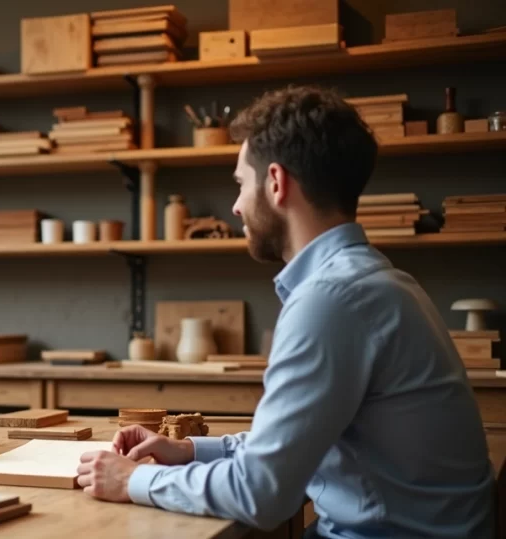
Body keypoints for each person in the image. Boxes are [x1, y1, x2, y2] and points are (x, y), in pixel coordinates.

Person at [76, 85, 495, 538]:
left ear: (276, 182)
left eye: (240, 183)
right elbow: (286, 446)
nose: (236, 205)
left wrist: (132, 479)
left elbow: (261, 494)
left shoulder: (330, 301)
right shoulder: (380, 282)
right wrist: (190, 450)